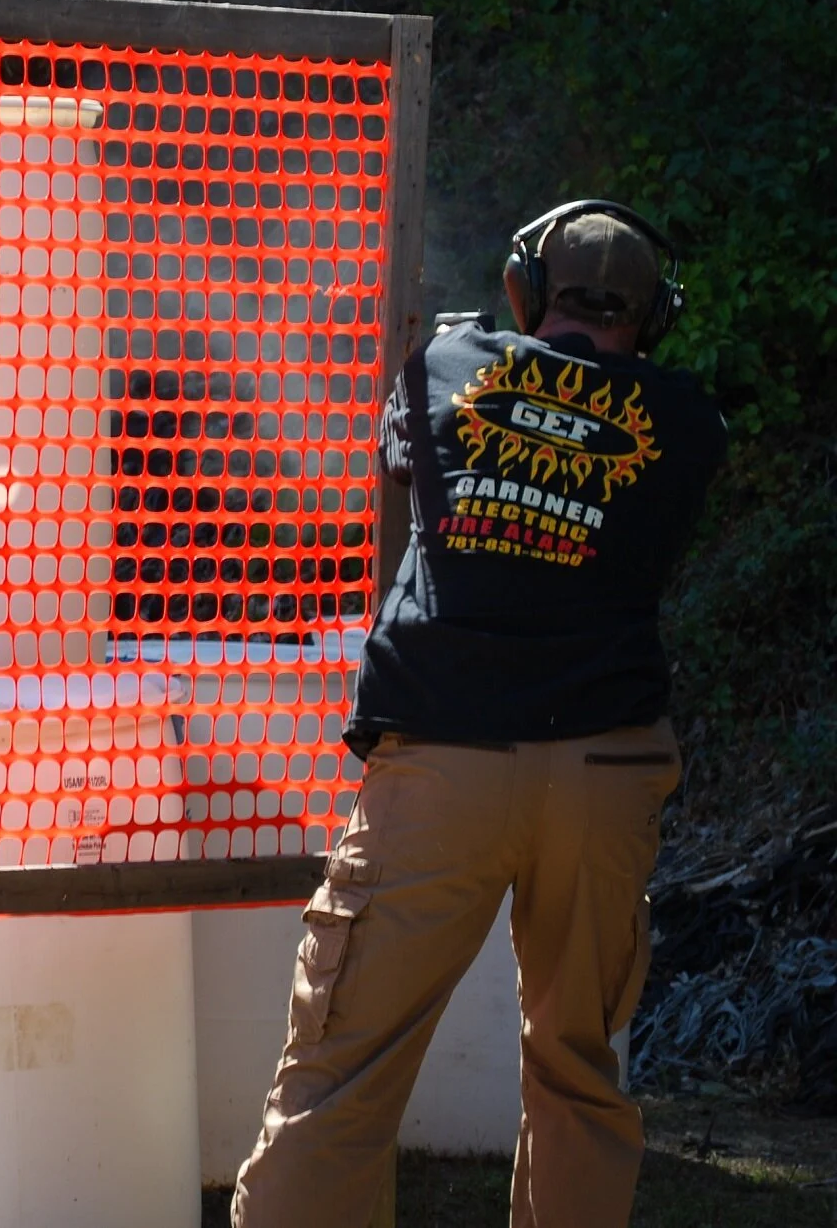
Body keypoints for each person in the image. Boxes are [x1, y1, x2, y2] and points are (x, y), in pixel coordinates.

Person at [231, 202, 728, 1228]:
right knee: (576, 1072)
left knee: (342, 1067)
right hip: (602, 772)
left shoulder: (448, 364)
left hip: (442, 761)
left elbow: (398, 458)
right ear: (652, 317)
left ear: (522, 291)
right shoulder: (685, 422)